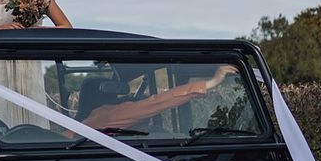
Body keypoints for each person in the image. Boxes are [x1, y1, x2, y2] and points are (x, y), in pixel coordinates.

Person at [78, 65, 236, 133]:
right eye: (114, 94)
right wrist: (211, 82)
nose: (120, 98)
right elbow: (156, 102)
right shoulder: (107, 116)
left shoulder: (85, 122)